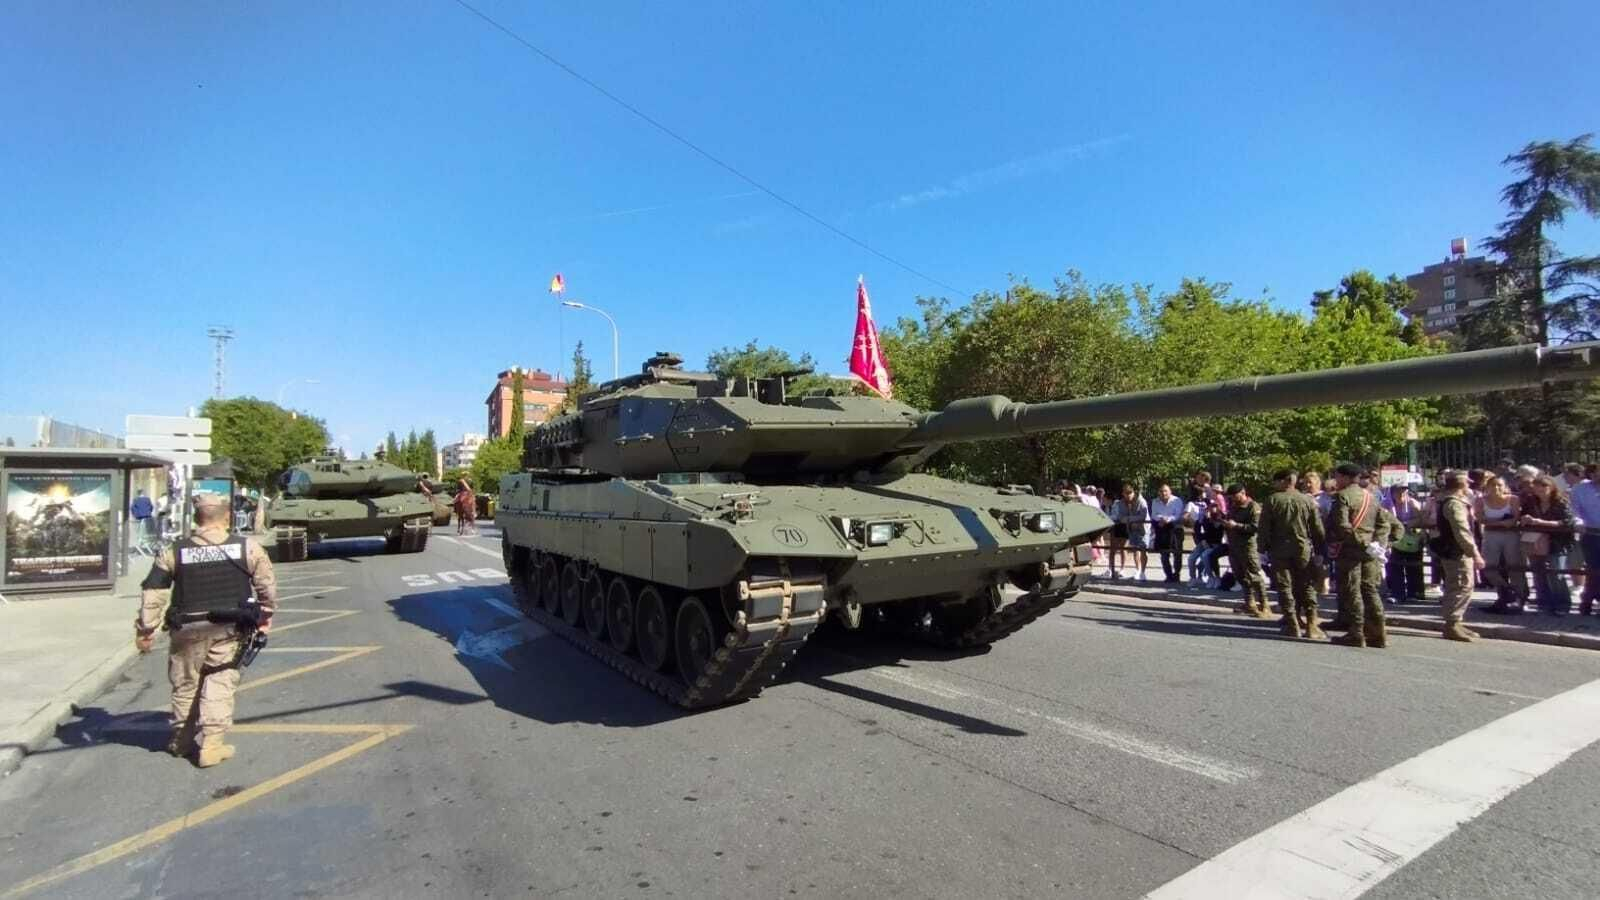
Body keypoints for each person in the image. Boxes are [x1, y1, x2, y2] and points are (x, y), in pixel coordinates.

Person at [135, 494, 276, 767]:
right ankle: (212, 745)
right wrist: (266, 615)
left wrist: (146, 629)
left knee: (186, 684)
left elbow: (154, 591)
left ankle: (182, 741)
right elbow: (266, 587)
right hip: (229, 627)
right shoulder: (248, 548)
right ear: (227, 517)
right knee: (220, 681)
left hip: (186, 628)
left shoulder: (173, 551)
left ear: (196, 519)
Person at [1257, 469, 1325, 638]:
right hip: (1303, 549)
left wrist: (1261, 549)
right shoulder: (1307, 500)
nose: (1274, 484)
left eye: (1276, 481)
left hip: (1279, 549)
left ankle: (1292, 623)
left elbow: (1264, 528)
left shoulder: (1272, 500)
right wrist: (1320, 550)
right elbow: (1317, 528)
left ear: (1284, 481)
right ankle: (1311, 624)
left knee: (1284, 586)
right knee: (1306, 585)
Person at [1328, 463, 1385, 647]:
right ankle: (1378, 633)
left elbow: (1342, 525)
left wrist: (1363, 543)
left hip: (1350, 551)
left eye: (1337, 477)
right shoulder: (1371, 496)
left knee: (1352, 591)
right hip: (1370, 552)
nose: (1336, 480)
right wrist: (1378, 545)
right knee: (1370, 590)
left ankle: (1356, 633)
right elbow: (1384, 523)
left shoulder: (1343, 496)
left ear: (1345, 477)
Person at [1432, 470, 1484, 641]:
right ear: (1461, 484)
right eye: (1467, 483)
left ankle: (1456, 622)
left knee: (1461, 585)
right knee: (1461, 585)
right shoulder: (1454, 504)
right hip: (1457, 551)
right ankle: (1452, 624)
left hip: (1455, 550)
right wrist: (1474, 553)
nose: (1469, 486)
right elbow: (1462, 531)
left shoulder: (1450, 501)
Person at [1520, 474, 1575, 615]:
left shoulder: (1561, 502)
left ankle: (1562, 604)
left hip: (1557, 542)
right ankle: (1544, 602)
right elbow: (1523, 516)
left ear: (1551, 487)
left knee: (1556, 573)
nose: (1541, 491)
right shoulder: (1530, 501)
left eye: (1544, 487)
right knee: (1538, 572)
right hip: (1536, 541)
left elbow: (1567, 522)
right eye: (1537, 488)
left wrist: (1542, 522)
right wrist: (1525, 518)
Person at [1476, 474, 1527, 614]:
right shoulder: (1481, 500)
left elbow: (1513, 521)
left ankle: (1520, 598)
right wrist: (1501, 522)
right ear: (1487, 487)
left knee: (1514, 567)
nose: (1496, 488)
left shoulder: (1513, 499)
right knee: (1488, 567)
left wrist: (1493, 522)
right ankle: (1507, 591)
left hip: (1511, 535)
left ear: (1505, 487)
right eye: (1493, 485)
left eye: (1499, 485)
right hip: (1490, 535)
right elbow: (1480, 519)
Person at [1223, 484, 1268, 617]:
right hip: (1234, 546)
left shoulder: (1253, 507)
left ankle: (1264, 605)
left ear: (1243, 493)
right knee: (1241, 576)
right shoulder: (1233, 507)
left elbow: (1256, 527)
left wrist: (1237, 526)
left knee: (1253, 576)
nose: (1232, 499)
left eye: (1234, 496)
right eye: (1230, 497)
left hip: (1248, 546)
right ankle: (1249, 603)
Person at [1384, 484, 1426, 603]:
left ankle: (1415, 593)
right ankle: (1397, 593)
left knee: (1414, 567)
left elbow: (1421, 519)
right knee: (1394, 566)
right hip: (1394, 539)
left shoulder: (1413, 503)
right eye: (1398, 492)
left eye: (1404, 491)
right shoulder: (1386, 505)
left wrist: (1406, 524)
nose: (1401, 494)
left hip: (1412, 539)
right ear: (1392, 493)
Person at [1570, 463, 1600, 616]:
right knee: (1594, 569)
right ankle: (1588, 600)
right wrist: (1578, 522)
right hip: (1591, 534)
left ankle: (1587, 601)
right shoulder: (1580, 489)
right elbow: (1574, 509)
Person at [1109, 484, 1152, 580]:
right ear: (1123, 493)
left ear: (1133, 492)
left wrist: (1129, 519)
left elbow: (1143, 516)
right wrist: (1130, 520)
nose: (1128, 495)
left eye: (1130, 493)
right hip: (1132, 528)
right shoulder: (1122, 503)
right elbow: (1121, 516)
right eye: (1126, 493)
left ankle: (1143, 572)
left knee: (1143, 550)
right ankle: (1138, 570)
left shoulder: (1141, 501)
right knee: (1135, 550)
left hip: (1143, 528)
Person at [1149, 481, 1186, 583]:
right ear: (1158, 492)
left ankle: (1177, 574)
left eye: (1165, 491)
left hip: (1175, 529)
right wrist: (1161, 518)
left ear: (1170, 491)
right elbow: (1154, 515)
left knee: (1177, 553)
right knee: (1164, 554)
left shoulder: (1177, 500)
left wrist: (1168, 519)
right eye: (1161, 491)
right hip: (1162, 529)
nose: (1163, 493)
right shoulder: (1155, 501)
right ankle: (1168, 575)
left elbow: (1178, 514)